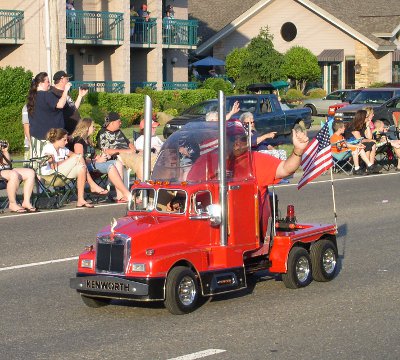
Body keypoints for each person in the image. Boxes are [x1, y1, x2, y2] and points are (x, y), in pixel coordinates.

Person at [71, 118, 131, 202]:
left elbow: (92, 156)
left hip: (93, 164)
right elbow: (80, 160)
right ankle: (127, 194)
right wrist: (96, 161)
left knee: (118, 163)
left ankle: (120, 196)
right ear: (86, 127)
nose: (94, 128)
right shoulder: (78, 141)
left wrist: (101, 157)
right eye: (93, 126)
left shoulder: (87, 140)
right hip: (86, 168)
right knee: (110, 166)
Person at [42, 128, 97, 208]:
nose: (67, 142)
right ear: (57, 139)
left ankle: (80, 200)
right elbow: (53, 166)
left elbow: (75, 155)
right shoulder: (49, 148)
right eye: (64, 140)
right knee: (77, 157)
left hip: (61, 174)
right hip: (51, 175)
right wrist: (69, 160)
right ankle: (92, 184)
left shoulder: (63, 149)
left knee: (81, 167)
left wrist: (72, 159)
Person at [27, 72, 70, 155]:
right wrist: (66, 91)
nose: (49, 84)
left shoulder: (32, 97)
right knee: (51, 164)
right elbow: (60, 105)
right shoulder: (46, 95)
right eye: (47, 82)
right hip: (49, 137)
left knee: (38, 162)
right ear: (40, 83)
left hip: (36, 136)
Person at [97, 112, 145, 180]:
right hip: (118, 157)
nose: (120, 123)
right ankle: (145, 186)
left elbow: (128, 143)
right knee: (141, 162)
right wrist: (127, 151)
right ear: (112, 123)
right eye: (119, 121)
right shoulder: (102, 133)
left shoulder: (118, 131)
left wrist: (134, 150)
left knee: (148, 157)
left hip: (130, 154)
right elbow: (106, 151)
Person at [0, 141, 37, 213]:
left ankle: (26, 202)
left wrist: (5, 151)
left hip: (4, 171)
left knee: (30, 172)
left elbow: (7, 163)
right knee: (13, 174)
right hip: (3, 174)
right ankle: (12, 203)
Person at [50, 70, 88, 135]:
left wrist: (80, 96)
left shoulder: (65, 92)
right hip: (66, 131)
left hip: (75, 129)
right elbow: (59, 106)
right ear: (61, 80)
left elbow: (73, 108)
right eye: (67, 79)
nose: (68, 81)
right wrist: (66, 90)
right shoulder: (54, 93)